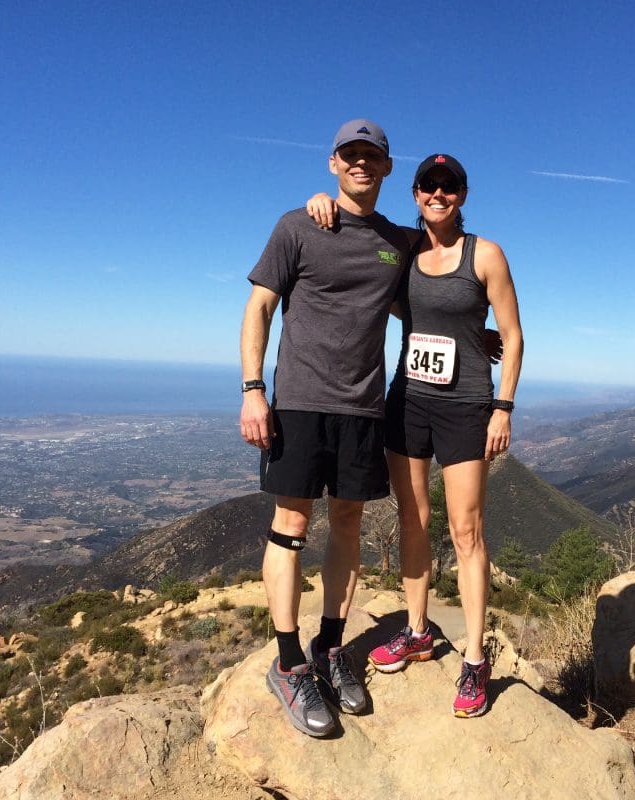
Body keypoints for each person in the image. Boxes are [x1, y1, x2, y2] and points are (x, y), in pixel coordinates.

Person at [308, 153, 523, 718]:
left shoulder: (486, 254)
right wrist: (321, 203)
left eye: (448, 187)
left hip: (467, 406)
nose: (438, 194)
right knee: (412, 520)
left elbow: (515, 335)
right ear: (415, 192)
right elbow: (357, 223)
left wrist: (503, 407)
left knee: (466, 529)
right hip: (408, 400)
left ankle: (475, 659)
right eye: (429, 185)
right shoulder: (403, 247)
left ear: (463, 194)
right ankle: (418, 630)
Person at [239, 119, 412, 737]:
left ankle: (331, 648)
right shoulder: (298, 226)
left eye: (373, 157)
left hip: (363, 408)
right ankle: (288, 664)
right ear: (333, 163)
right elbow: (259, 305)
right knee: (290, 525)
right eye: (352, 155)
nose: (362, 164)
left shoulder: (397, 242)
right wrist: (253, 390)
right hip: (301, 403)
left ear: (387, 169)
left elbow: (445, 267)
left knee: (347, 522)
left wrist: (486, 334)